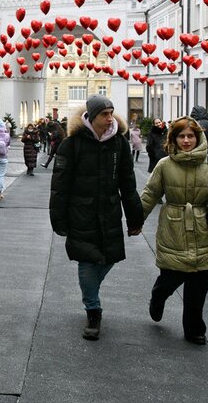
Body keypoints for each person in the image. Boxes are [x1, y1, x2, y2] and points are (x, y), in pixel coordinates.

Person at [49, 95, 144, 341]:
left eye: (111, 113)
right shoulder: (72, 144)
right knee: (87, 261)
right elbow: (59, 185)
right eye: (104, 114)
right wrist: (58, 219)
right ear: (91, 117)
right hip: (81, 213)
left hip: (110, 212)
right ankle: (93, 311)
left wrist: (135, 218)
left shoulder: (119, 143)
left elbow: (128, 184)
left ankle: (91, 290)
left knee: (108, 258)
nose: (110, 118)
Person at [139, 116, 208, 345]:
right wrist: (136, 221)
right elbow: (149, 195)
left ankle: (194, 329)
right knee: (170, 278)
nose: (186, 141)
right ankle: (158, 296)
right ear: (173, 139)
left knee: (199, 285)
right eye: (181, 136)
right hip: (173, 228)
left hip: (202, 228)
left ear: (198, 137)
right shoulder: (165, 165)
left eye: (190, 136)